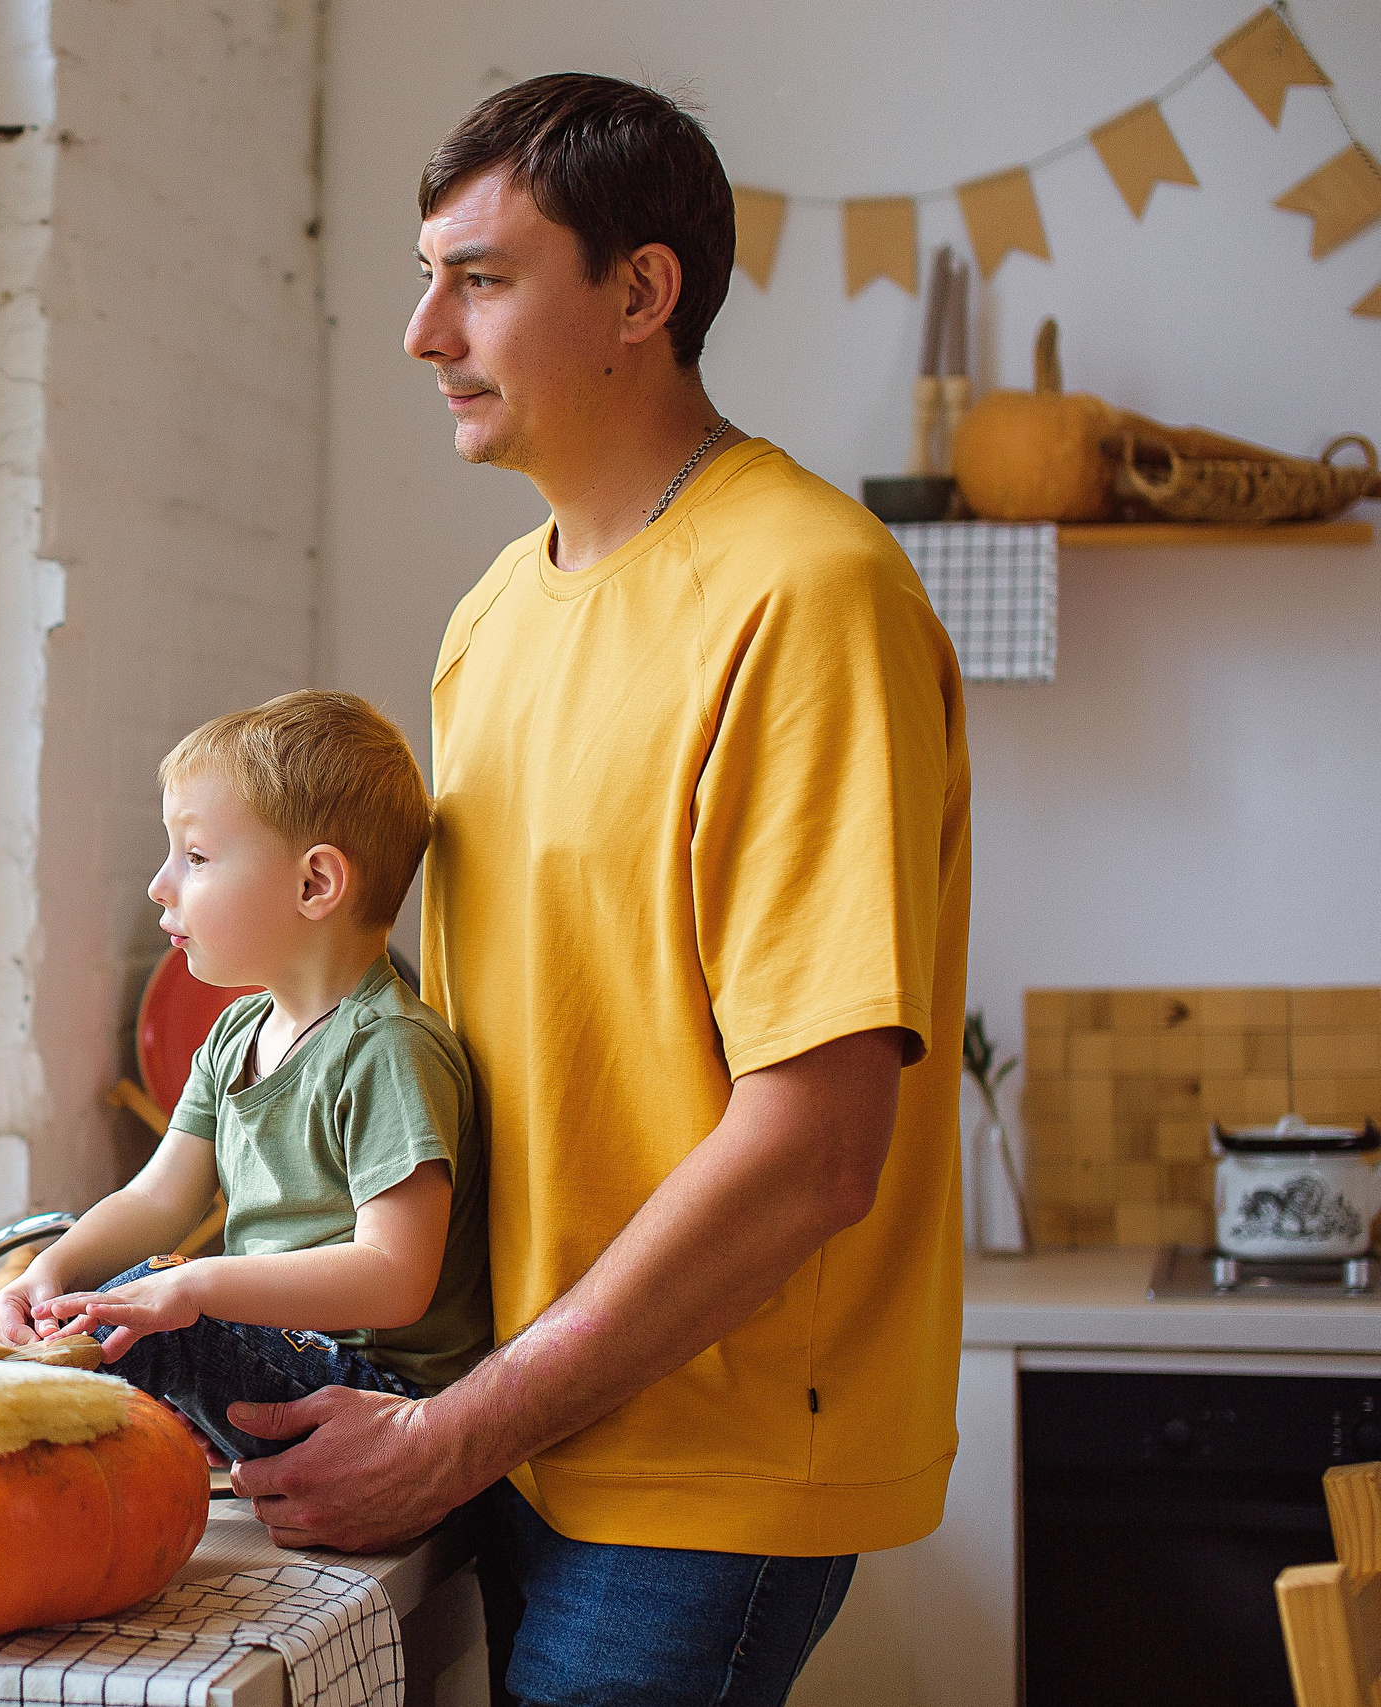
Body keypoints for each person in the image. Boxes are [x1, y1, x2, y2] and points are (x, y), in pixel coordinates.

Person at [220, 74, 973, 1707]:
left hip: (708, 1456)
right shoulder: (492, 615)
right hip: (535, 1422)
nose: (425, 330)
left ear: (640, 292)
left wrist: (450, 1431)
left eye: (481, 278)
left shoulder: (811, 593)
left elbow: (813, 1149)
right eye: (429, 274)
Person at [0, 690, 493, 1465]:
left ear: (315, 884)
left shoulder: (390, 1050)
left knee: (164, 1293)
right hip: (271, 1355)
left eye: (196, 856)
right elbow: (158, 1196)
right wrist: (53, 1271)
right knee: (109, 1296)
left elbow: (395, 1276)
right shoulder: (235, 1035)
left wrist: (198, 1285)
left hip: (375, 1398)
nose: (160, 883)